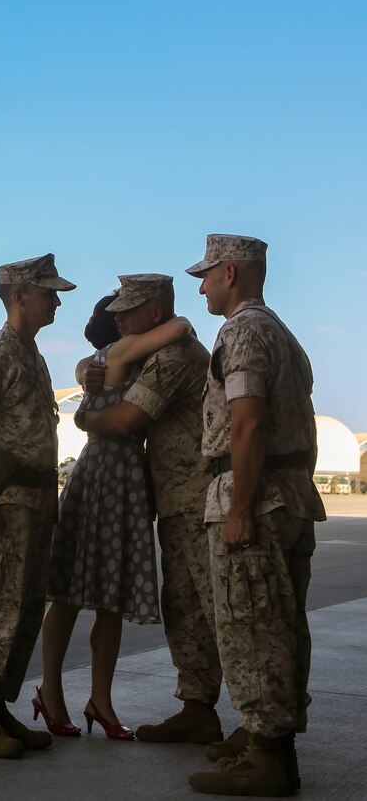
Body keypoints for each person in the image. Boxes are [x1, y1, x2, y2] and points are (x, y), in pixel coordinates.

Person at [184, 234, 325, 797]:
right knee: (283, 626)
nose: (201, 286)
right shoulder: (282, 333)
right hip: (288, 495)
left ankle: (269, 754)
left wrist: (240, 508)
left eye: (208, 275)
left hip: (254, 501)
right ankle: (264, 736)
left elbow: (247, 423)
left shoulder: (241, 331)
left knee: (252, 626)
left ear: (232, 273)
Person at [38, 275, 189, 741]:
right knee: (88, 598)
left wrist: (84, 371)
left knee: (95, 597)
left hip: (108, 476)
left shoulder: (103, 361)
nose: (126, 321)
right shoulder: (119, 354)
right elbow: (179, 327)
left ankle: (77, 697)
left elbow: (90, 369)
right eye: (120, 315)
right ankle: (75, 695)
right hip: (111, 475)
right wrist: (170, 315)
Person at [75, 279, 221, 746]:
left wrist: (84, 417)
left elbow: (124, 421)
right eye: (116, 310)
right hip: (179, 500)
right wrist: (87, 372)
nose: (119, 317)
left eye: (129, 310)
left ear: (155, 314)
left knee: (216, 610)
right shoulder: (151, 353)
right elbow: (98, 360)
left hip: (196, 499)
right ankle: (197, 709)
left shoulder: (174, 357)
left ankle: (259, 725)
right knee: (187, 608)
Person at [0, 253, 75, 760]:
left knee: (24, 612)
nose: (56, 301)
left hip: (33, 507)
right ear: (19, 295)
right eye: (48, 293)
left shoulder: (33, 355)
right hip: (2, 506)